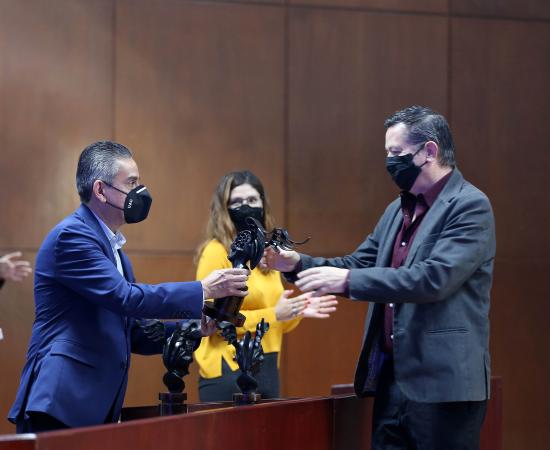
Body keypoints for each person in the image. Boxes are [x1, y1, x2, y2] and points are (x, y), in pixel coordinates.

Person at [265, 106, 496, 450]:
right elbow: (358, 263)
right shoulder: (397, 209)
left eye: (396, 152)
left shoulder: (469, 205)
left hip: (444, 387)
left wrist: (347, 281)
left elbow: (432, 279)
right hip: (392, 382)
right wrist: (296, 264)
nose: (389, 162)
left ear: (429, 151)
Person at [8, 141, 248, 433]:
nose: (140, 191)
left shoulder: (113, 250)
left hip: (90, 406)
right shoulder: (72, 237)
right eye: (131, 183)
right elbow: (126, 298)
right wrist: (202, 290)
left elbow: (134, 331)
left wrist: (195, 328)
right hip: (62, 402)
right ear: (100, 190)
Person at [194, 170, 338, 401]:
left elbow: (275, 322)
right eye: (237, 202)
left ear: (263, 204)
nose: (246, 206)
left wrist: (296, 309)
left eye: (252, 200)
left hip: (267, 365)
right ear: (224, 208)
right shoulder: (216, 251)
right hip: (228, 367)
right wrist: (274, 314)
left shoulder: (268, 253)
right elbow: (214, 319)